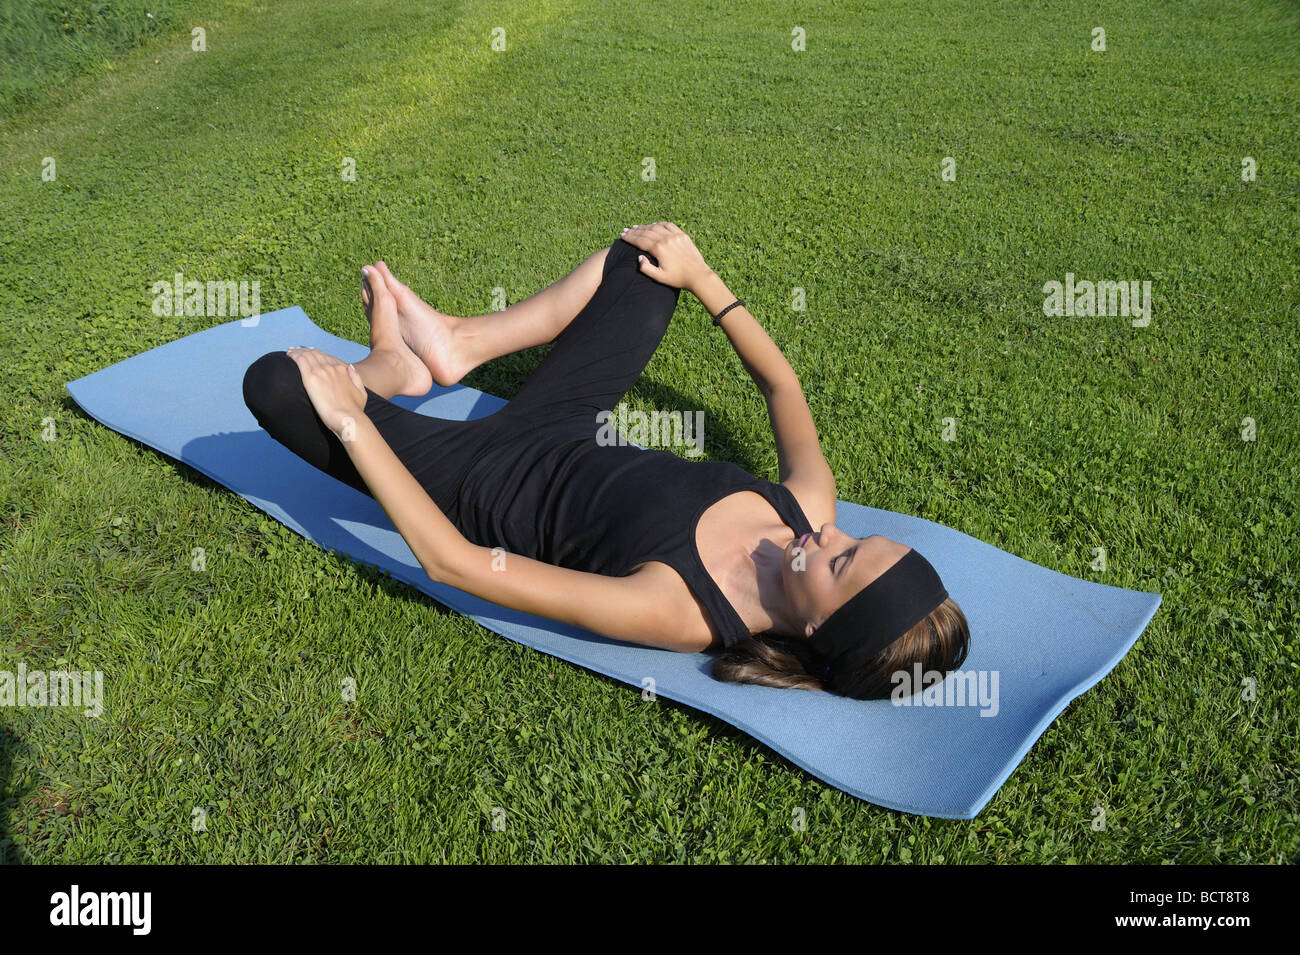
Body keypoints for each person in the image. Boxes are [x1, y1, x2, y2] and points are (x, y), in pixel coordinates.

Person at [242, 222, 969, 698]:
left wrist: (348, 421)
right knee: (644, 259)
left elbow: (454, 562)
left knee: (275, 382)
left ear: (816, 631)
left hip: (462, 478)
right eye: (858, 541)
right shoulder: (805, 509)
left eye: (838, 564)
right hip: (559, 424)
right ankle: (457, 346)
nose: (831, 534)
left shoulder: (685, 609)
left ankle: (387, 376)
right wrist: (702, 278)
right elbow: (781, 384)